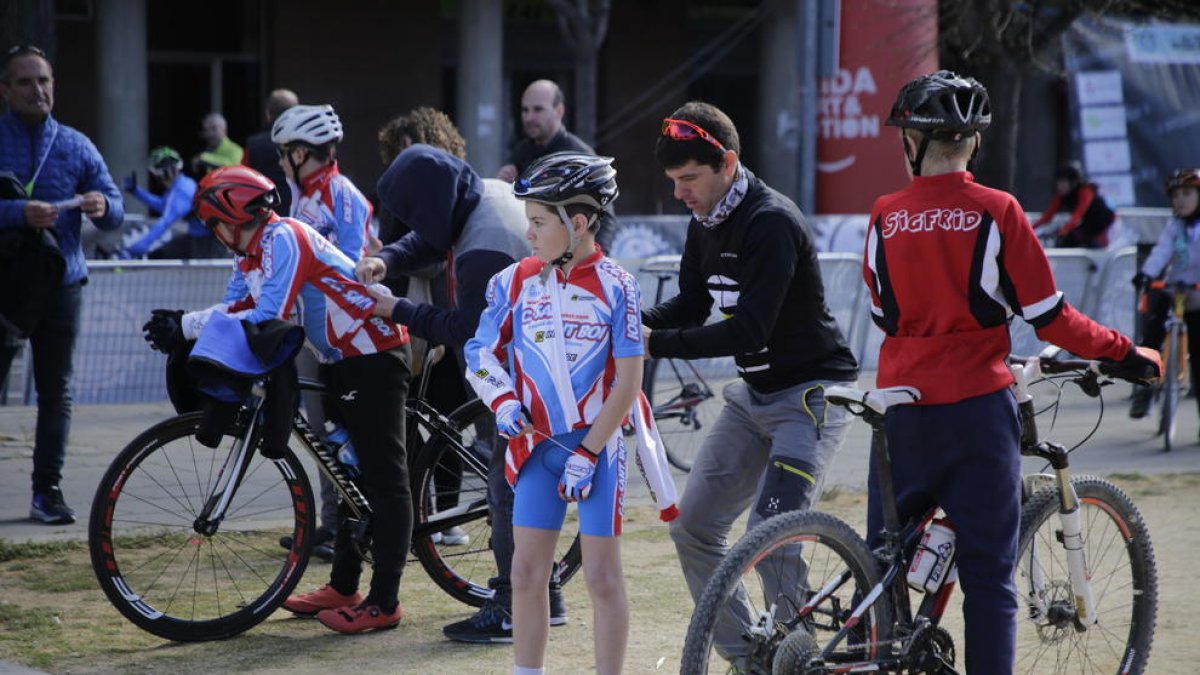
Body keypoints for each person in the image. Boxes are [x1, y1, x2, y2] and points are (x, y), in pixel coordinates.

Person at [865, 70, 1161, 674]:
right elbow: (1052, 319)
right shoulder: (997, 211)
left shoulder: (884, 214)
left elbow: (881, 312)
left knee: (882, 569)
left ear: (910, 144)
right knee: (989, 580)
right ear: (974, 143)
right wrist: (1126, 353)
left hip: (899, 409)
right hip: (975, 409)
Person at [142, 165, 412, 634]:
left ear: (227, 216)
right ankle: (344, 586)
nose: (216, 233)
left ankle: (385, 600)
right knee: (346, 469)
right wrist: (185, 325)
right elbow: (236, 307)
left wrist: (187, 324)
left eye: (214, 223)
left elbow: (269, 313)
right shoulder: (248, 256)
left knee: (383, 476)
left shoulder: (283, 237)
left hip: (373, 351)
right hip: (337, 357)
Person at [642, 101, 859, 671]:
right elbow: (691, 304)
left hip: (809, 397)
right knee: (692, 529)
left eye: (689, 179)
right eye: (673, 181)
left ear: (727, 163)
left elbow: (749, 330)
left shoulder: (772, 222)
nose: (680, 194)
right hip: (752, 398)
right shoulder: (706, 220)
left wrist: (651, 344)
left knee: (771, 537)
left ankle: (799, 657)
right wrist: (633, 326)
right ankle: (754, 660)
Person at [353, 144, 552, 644]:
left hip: (525, 380)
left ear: (430, 201)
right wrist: (388, 259)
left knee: (506, 494)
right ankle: (548, 594)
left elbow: (466, 328)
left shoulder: (486, 244)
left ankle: (511, 607)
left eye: (413, 212)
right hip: (538, 367)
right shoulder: (481, 193)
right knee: (518, 488)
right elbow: (435, 236)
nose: (411, 223)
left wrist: (395, 308)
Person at [462, 153, 642, 675]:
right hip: (536, 447)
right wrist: (502, 399)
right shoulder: (514, 282)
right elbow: (479, 352)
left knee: (602, 578)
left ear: (578, 222)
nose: (529, 234)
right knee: (525, 572)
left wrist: (589, 451)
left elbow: (629, 384)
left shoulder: (618, 286)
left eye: (538, 222)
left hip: (598, 447)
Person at [0, 44, 125, 524]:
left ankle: (46, 492)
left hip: (63, 285)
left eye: (45, 81)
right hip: (6, 289)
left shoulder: (74, 144)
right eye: (27, 82)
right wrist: (17, 214)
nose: (39, 90)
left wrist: (101, 206)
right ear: (6, 90)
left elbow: (114, 205)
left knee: (57, 392)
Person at [271, 102, 374, 561]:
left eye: (283, 152)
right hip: (307, 329)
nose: (278, 162)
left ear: (300, 152)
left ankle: (353, 526)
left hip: (343, 333)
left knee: (344, 431)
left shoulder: (342, 193)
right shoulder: (299, 196)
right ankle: (331, 525)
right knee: (318, 431)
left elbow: (350, 268)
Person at [1129, 168, 1200, 420]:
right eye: (1176, 195)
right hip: (1175, 289)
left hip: (1198, 294)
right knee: (1151, 335)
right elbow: (1161, 252)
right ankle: (1143, 393)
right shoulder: (1174, 226)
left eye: (1187, 193)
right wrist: (1147, 274)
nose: (1180, 200)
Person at [120, 146, 224, 259]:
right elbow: (164, 206)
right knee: (160, 254)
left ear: (160, 175)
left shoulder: (180, 191)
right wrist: (136, 191)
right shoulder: (183, 184)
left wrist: (134, 250)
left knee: (159, 257)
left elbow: (163, 223)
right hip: (201, 237)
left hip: (209, 243)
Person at [496, 80, 593, 183]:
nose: (529, 118)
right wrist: (503, 183)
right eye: (525, 110)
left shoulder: (581, 157)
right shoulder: (520, 152)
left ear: (559, 111)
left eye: (538, 109)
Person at [1031, 160, 1115, 249]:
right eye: (1058, 182)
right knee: (1068, 239)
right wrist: (1031, 229)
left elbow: (1078, 215)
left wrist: (1063, 231)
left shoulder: (1085, 191)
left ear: (1073, 183)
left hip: (1107, 225)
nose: (1060, 186)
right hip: (1089, 225)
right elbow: (1047, 216)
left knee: (1075, 239)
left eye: (1063, 182)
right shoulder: (1061, 195)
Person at [242, 88, 298, 215]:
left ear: (268, 113)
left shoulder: (253, 145)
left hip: (264, 217)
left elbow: (243, 182)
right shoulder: (305, 144)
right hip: (300, 216)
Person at [192, 112, 244, 176]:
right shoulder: (206, 150)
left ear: (224, 130)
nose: (210, 134)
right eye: (206, 130)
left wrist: (203, 158)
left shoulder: (236, 149)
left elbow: (231, 166)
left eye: (214, 128)